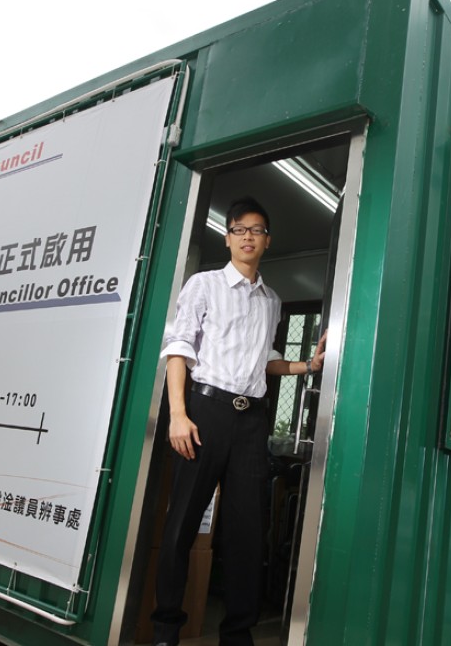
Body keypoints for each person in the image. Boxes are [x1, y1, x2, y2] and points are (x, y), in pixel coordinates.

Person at [152, 196, 326, 646]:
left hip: (252, 422)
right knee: (182, 522)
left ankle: (237, 633)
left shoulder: (272, 301)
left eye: (257, 230)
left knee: (247, 530)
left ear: (268, 241)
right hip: (204, 412)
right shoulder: (204, 285)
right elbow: (179, 349)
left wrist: (307, 366)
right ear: (228, 237)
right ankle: (166, 628)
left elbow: (266, 360)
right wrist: (178, 415)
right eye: (240, 229)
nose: (249, 236)